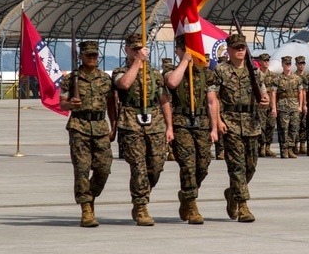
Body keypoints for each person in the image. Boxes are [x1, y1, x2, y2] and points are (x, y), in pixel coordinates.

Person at [112, 33, 174, 226]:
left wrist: (169, 126)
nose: (139, 51)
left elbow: (164, 101)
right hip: (131, 123)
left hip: (155, 124)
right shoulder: (119, 71)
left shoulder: (155, 74)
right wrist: (137, 62)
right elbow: (125, 84)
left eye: (141, 48)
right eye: (135, 49)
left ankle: (144, 193)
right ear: (127, 50)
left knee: (156, 166)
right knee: (138, 166)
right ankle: (141, 207)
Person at [209, 33, 268, 222]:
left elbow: (263, 92)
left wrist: (265, 101)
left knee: (250, 167)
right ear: (229, 50)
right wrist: (217, 121)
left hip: (252, 122)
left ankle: (232, 193)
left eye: (243, 47)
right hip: (231, 122)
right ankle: (243, 206)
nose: (240, 50)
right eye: (237, 47)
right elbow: (214, 98)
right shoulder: (221, 70)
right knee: (237, 167)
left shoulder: (255, 71)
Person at [59, 41, 117, 227]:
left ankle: (90, 196)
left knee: (104, 168)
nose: (92, 58)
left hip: (100, 126)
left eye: (95, 55)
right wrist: (71, 105)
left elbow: (110, 105)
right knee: (82, 169)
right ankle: (85, 209)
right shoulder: (71, 79)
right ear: (81, 56)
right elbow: (62, 104)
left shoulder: (105, 79)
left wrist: (113, 124)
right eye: (89, 55)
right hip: (79, 126)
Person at [165, 35, 219, 224]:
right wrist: (184, 62)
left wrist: (214, 127)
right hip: (181, 123)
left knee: (203, 165)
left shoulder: (205, 73)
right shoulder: (171, 70)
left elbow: (212, 101)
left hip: (202, 124)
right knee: (187, 165)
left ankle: (186, 195)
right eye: (183, 49)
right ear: (177, 51)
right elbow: (172, 83)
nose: (187, 52)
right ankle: (192, 205)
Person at [270, 56, 304, 158]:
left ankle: (290, 149)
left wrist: (300, 106)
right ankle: (284, 150)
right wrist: (274, 108)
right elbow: (273, 94)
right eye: (286, 64)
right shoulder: (278, 79)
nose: (288, 66)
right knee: (284, 129)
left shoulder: (297, 79)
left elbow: (300, 92)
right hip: (283, 107)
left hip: (294, 106)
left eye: (289, 64)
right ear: (282, 65)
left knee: (293, 129)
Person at [257, 53, 277, 157]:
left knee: (271, 125)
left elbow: (275, 91)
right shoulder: (257, 75)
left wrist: (274, 105)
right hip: (261, 103)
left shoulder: (273, 76)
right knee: (261, 125)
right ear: (260, 62)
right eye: (264, 60)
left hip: (271, 102)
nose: (266, 62)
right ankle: (262, 147)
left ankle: (268, 147)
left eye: (268, 60)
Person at [294, 56, 308, 154]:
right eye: (299, 64)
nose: (301, 65)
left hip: (306, 103)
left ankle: (303, 144)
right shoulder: (294, 76)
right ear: (296, 65)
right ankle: (295, 145)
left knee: (304, 124)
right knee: (295, 125)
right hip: (295, 103)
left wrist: (305, 104)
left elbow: (307, 91)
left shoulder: (307, 77)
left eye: (303, 63)